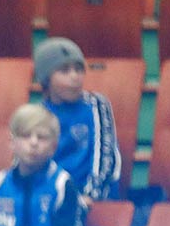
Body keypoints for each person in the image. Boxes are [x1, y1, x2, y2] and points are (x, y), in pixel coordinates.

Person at [34, 37, 122, 201]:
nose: (75, 77)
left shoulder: (96, 104)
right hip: (53, 199)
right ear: (46, 79)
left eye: (79, 69)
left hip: (93, 199)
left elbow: (106, 158)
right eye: (65, 71)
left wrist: (90, 195)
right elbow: (27, 164)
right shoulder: (37, 115)